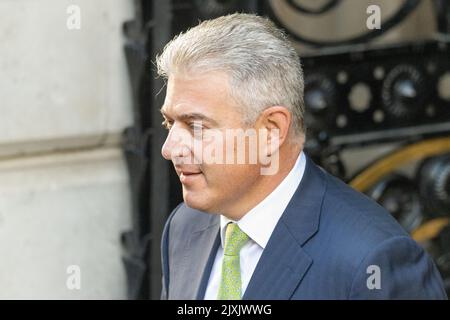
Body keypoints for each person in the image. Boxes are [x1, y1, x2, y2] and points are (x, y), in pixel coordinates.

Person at [156, 13, 447, 300]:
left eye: (196, 126)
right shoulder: (184, 226)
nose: (169, 149)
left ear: (271, 130)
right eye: (169, 123)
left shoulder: (374, 261)